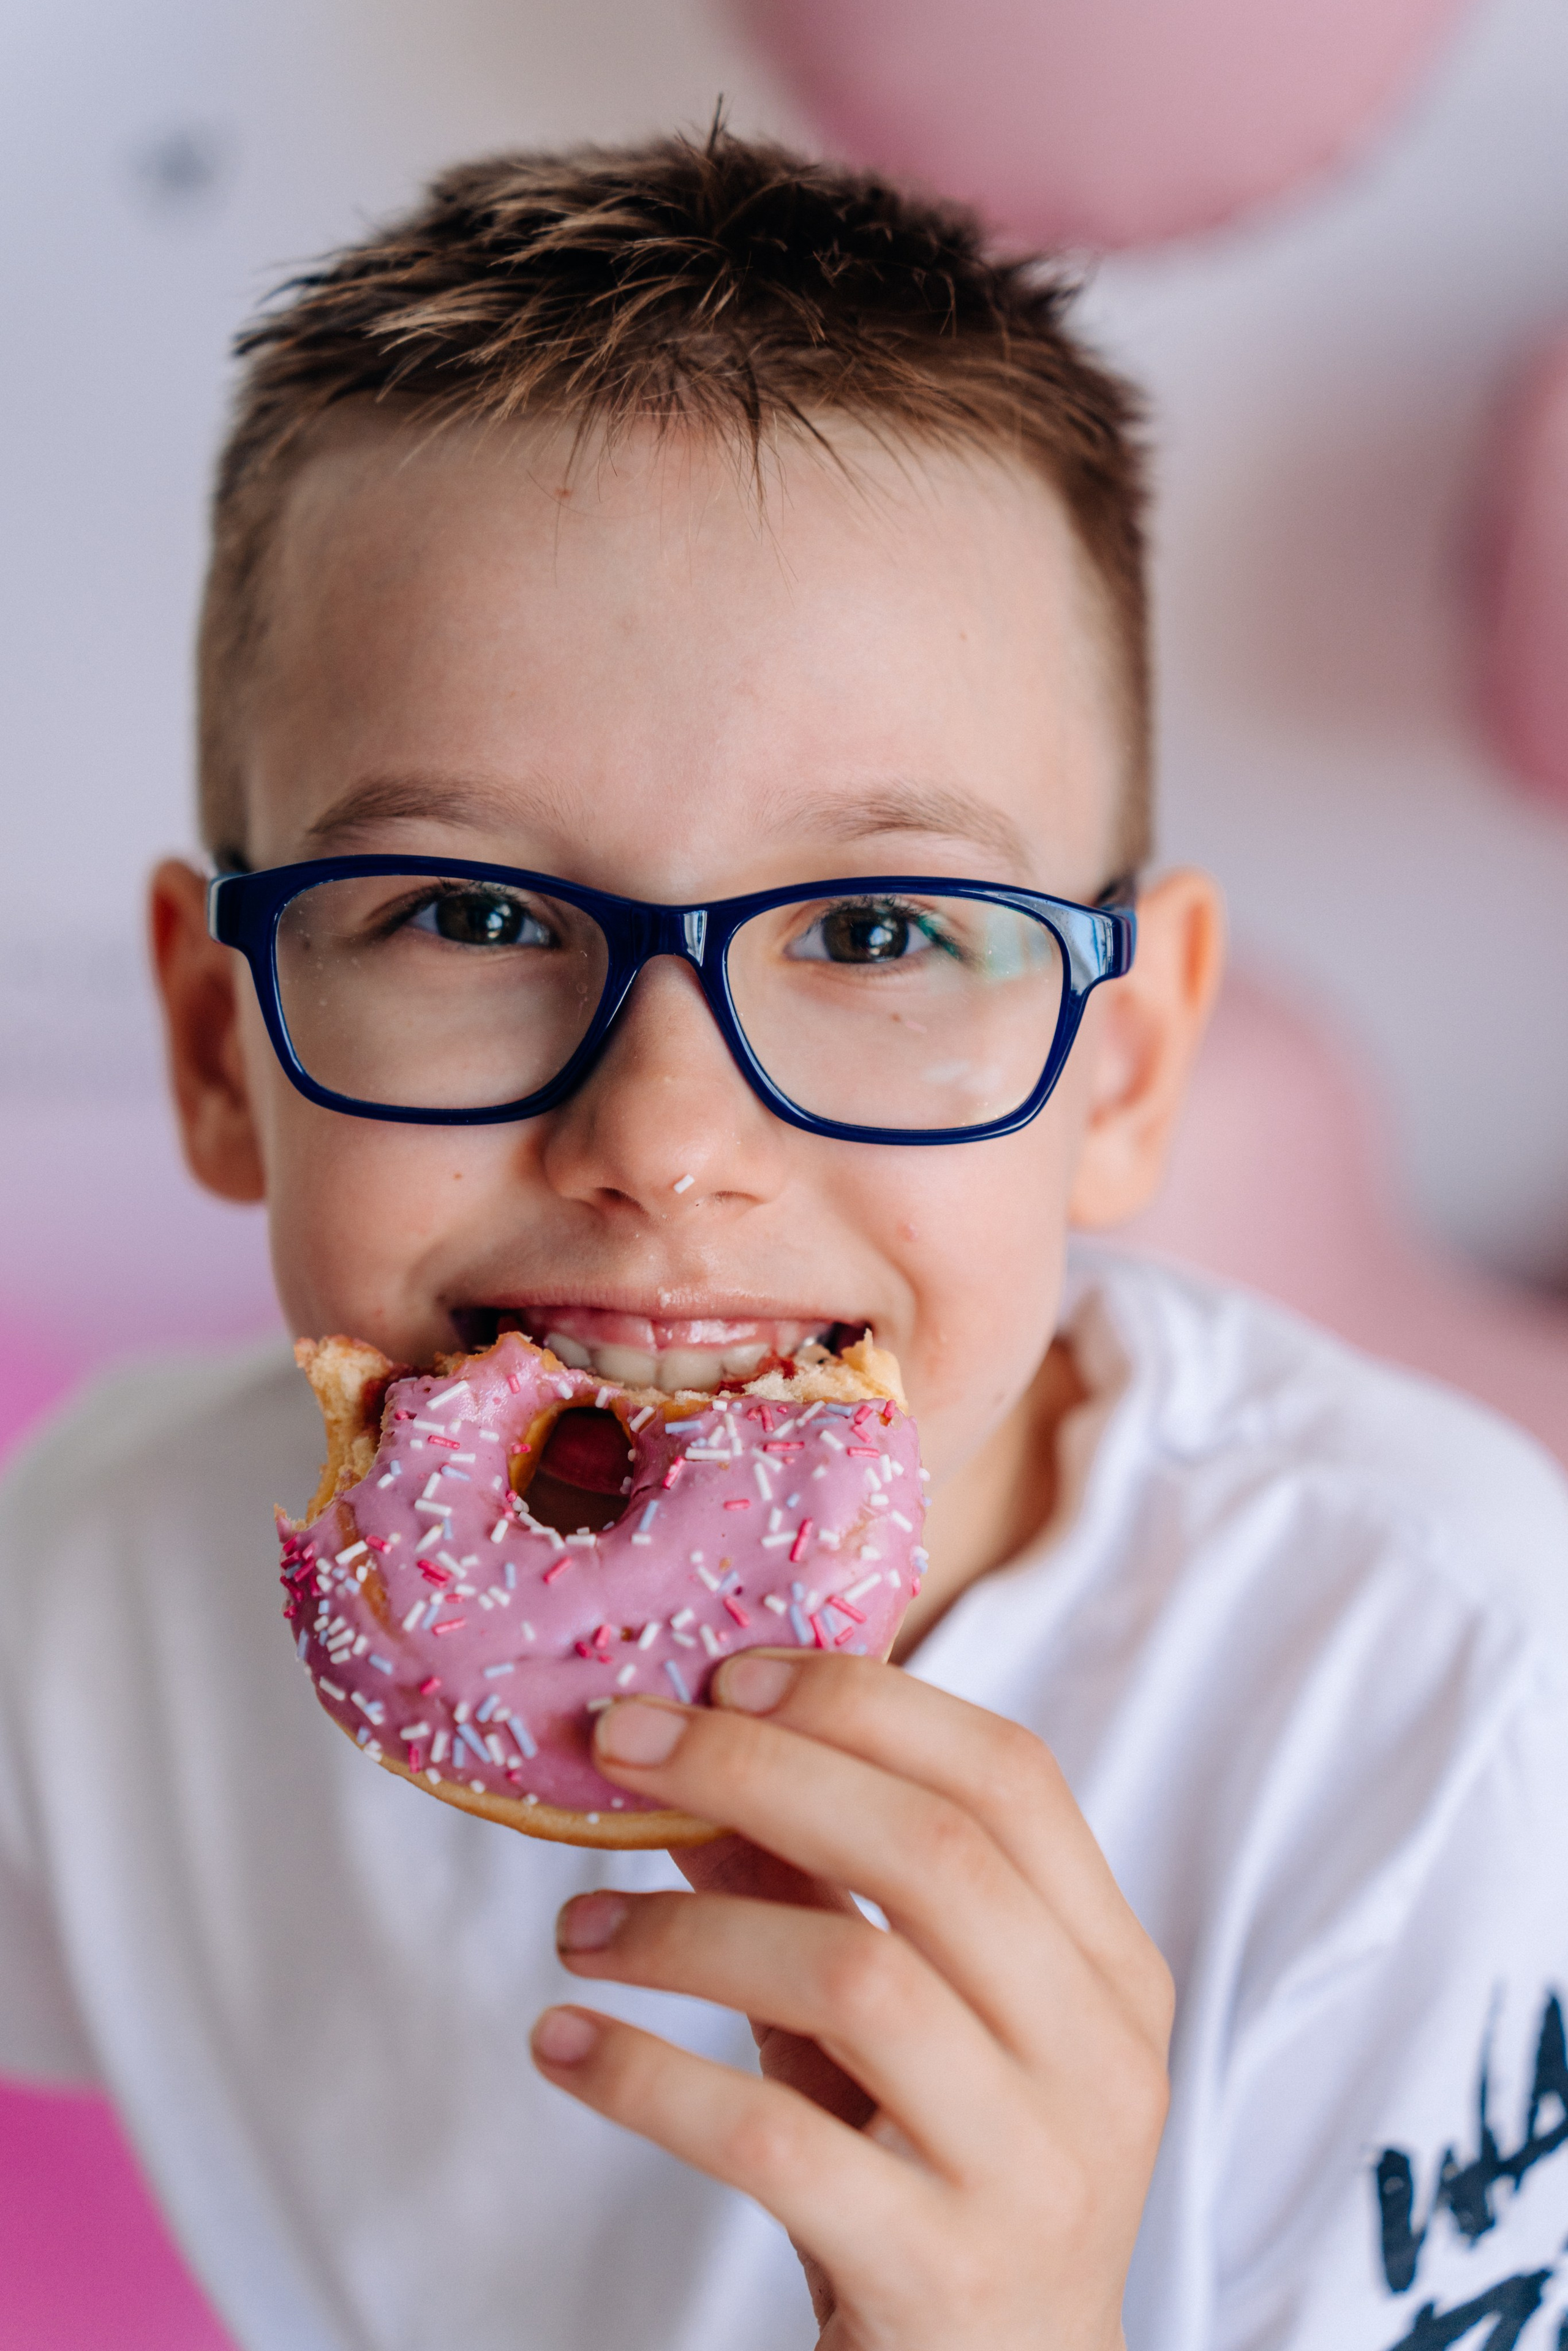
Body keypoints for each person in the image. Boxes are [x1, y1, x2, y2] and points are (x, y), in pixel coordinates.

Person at [4, 124, 1567, 2351]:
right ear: (210, 1040)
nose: (662, 1133)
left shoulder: (1438, 1700)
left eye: (877, 924)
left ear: (1124, 1070)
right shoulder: (108, 1589)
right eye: (464, 910)